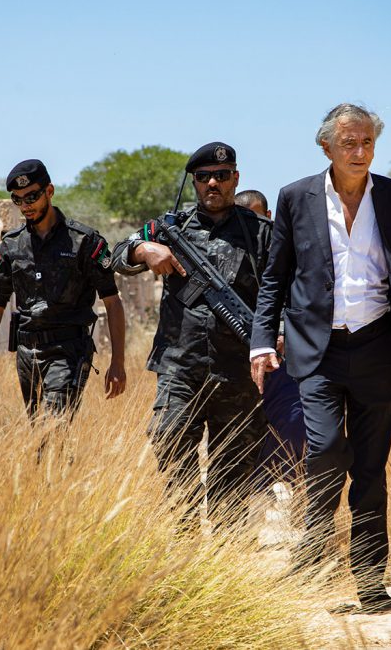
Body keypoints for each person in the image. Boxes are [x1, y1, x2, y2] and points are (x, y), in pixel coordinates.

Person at [251, 104, 391, 613]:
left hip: (378, 345)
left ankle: (370, 581)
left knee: (372, 470)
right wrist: (262, 340)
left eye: (367, 143)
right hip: (317, 349)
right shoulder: (296, 198)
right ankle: (315, 549)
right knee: (327, 449)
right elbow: (275, 276)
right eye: (350, 144)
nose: (360, 152)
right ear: (327, 148)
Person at [112, 142, 271, 526]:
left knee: (232, 469)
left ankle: (226, 562)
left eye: (221, 175)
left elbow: (282, 292)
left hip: (237, 370)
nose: (212, 183)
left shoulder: (261, 233)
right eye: (203, 177)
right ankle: (182, 544)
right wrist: (144, 251)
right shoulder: (168, 227)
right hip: (179, 367)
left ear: (236, 178)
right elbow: (114, 254)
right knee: (168, 442)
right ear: (194, 182)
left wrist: (275, 335)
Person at [0, 159, 126, 417]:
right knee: (39, 435)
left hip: (68, 350)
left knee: (53, 426)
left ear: (49, 191)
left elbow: (112, 302)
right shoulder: (11, 245)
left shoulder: (84, 241)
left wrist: (117, 362)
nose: (26, 206)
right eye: (18, 200)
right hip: (26, 353)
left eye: (32, 197)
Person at [235, 189, 306, 483]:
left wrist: (281, 332)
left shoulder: (289, 250)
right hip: (241, 361)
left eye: (258, 217)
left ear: (269, 217)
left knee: (294, 429)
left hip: (283, 360)